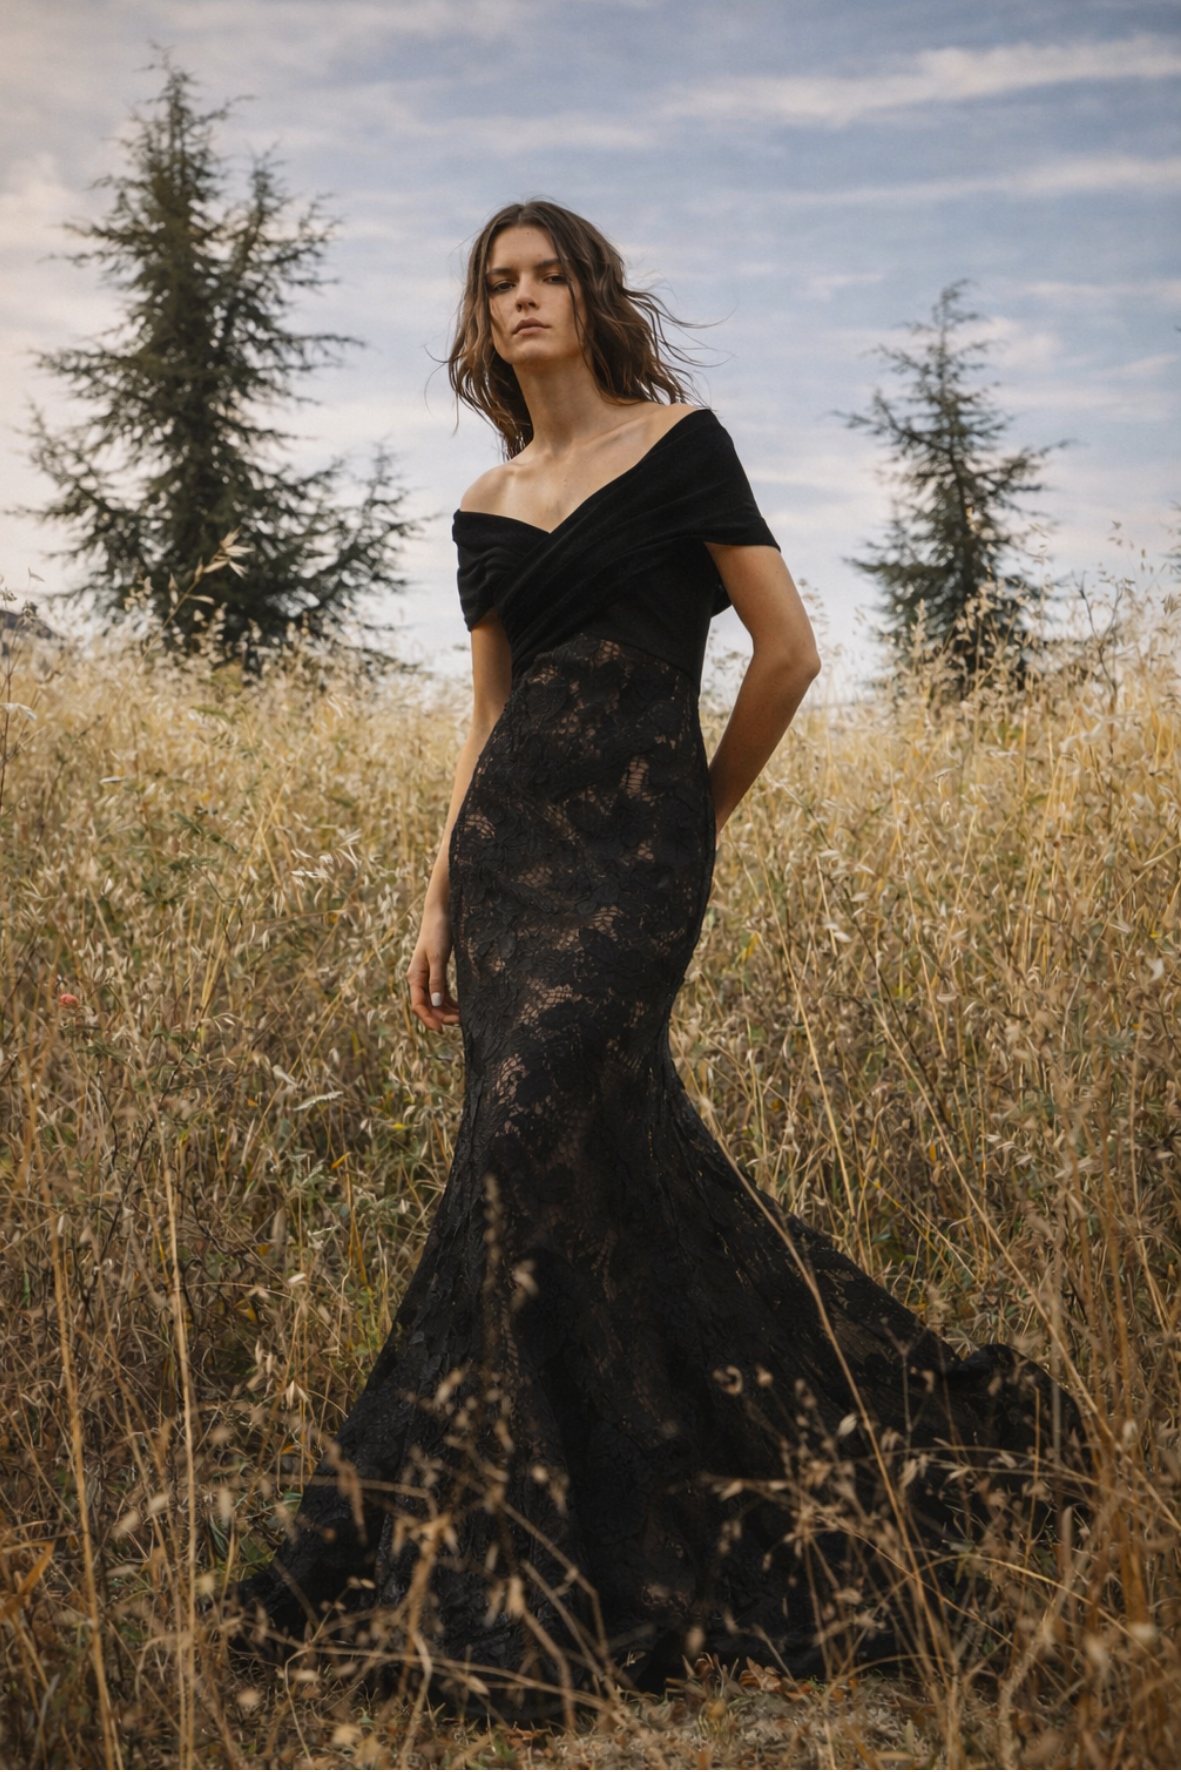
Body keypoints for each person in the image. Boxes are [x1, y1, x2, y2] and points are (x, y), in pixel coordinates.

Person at [237, 201, 1081, 1711]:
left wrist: (697, 813)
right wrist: (437, 899)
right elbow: (487, 719)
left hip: (636, 860)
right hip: (507, 868)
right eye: (498, 283)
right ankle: (572, 1530)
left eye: (547, 273)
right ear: (482, 318)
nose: (523, 298)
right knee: (569, 1168)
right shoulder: (487, 504)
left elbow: (790, 648)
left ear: (590, 291)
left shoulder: (681, 442)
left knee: (531, 1123)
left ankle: (770, 1475)